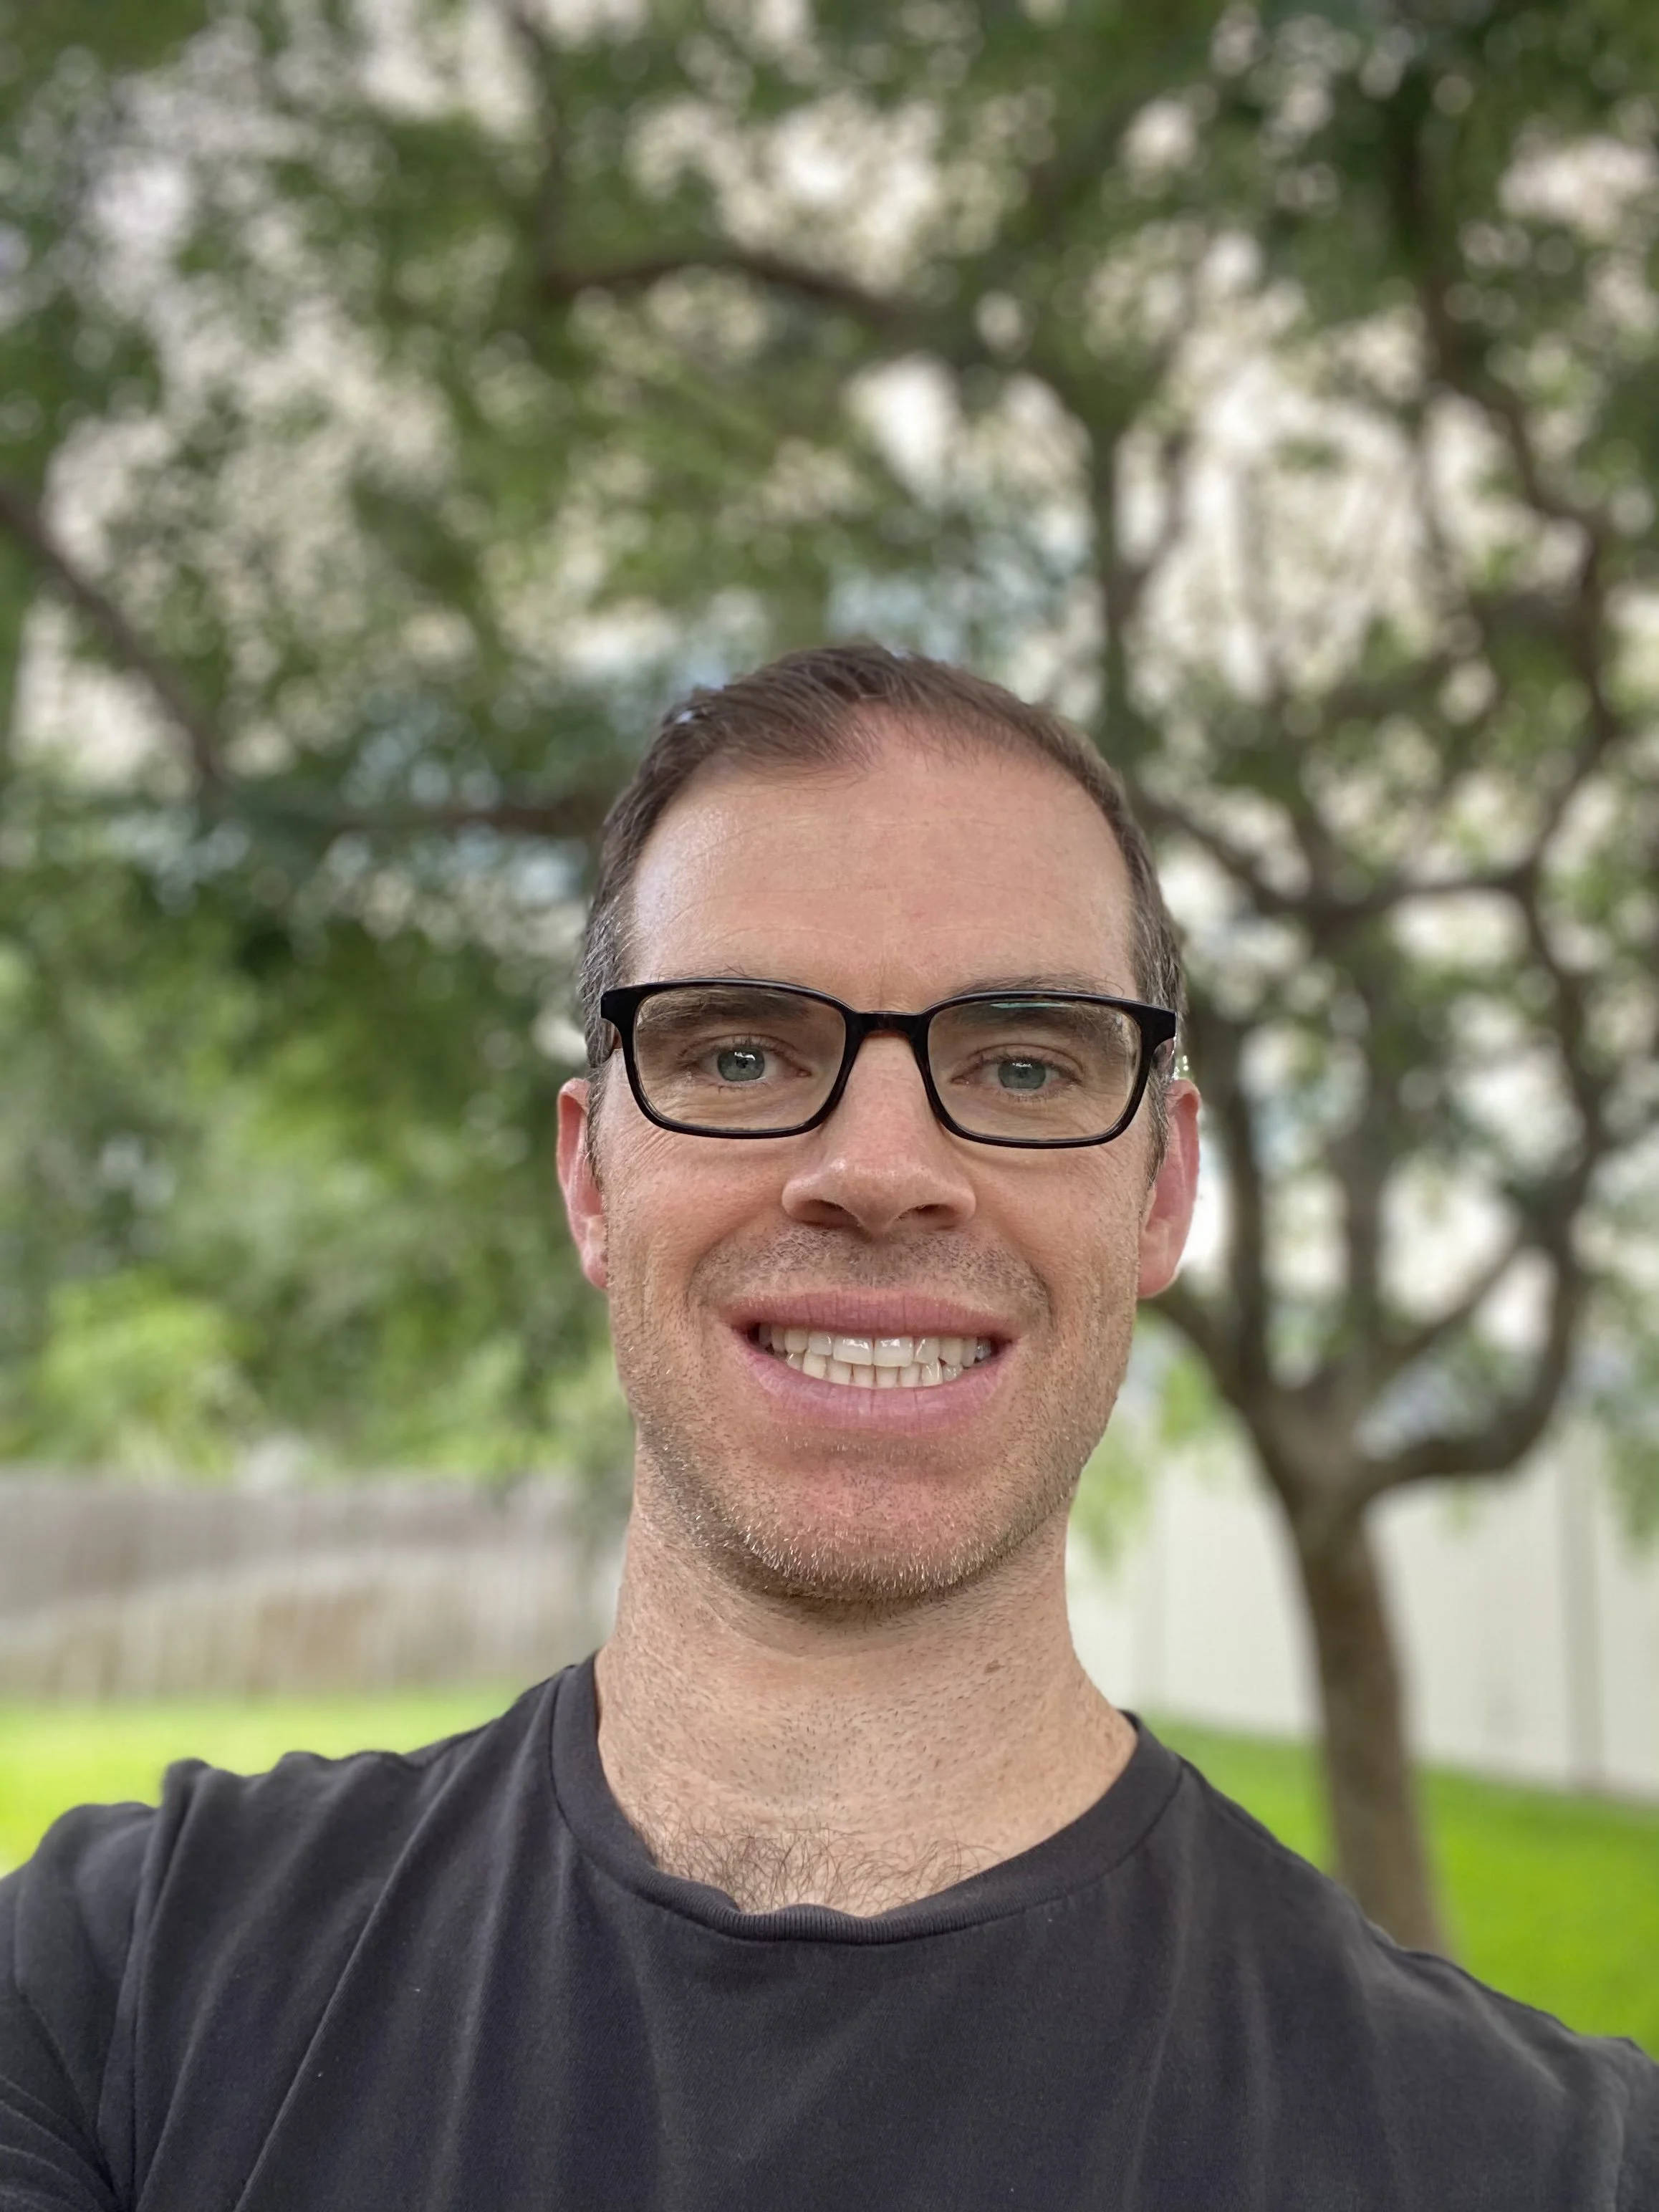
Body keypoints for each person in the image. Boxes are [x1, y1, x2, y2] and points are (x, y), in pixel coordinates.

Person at [1, 645, 1654, 2212]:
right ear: (591, 1176)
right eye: (737, 1048)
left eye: (1019, 1064)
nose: (878, 1166)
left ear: (1165, 1187)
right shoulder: (117, 1988)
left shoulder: (1547, 2158)